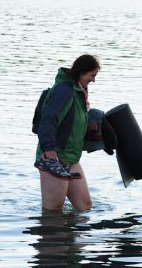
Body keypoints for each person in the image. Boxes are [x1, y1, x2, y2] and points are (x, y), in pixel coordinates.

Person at [34, 54, 100, 212]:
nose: (94, 80)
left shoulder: (79, 91)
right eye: (92, 75)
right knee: (53, 210)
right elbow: (48, 120)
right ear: (82, 72)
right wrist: (49, 149)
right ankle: (54, 235)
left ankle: (73, 234)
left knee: (85, 206)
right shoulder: (64, 91)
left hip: (72, 157)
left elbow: (73, 124)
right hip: (53, 158)